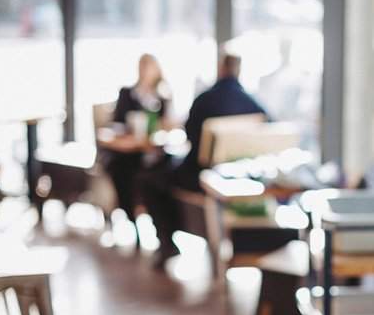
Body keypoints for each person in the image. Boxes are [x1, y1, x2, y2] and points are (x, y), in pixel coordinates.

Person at [142, 52, 269, 268]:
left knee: (150, 180)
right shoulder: (252, 102)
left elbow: (190, 137)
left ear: (221, 68)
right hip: (240, 176)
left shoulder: (205, 99)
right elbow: (266, 130)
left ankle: (167, 242)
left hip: (200, 176)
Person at [104, 53, 171, 224]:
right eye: (142, 66)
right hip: (127, 151)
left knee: (161, 172)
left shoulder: (162, 98)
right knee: (122, 169)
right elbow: (116, 125)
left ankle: (161, 229)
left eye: (148, 67)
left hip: (152, 152)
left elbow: (166, 127)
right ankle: (131, 218)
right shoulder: (127, 94)